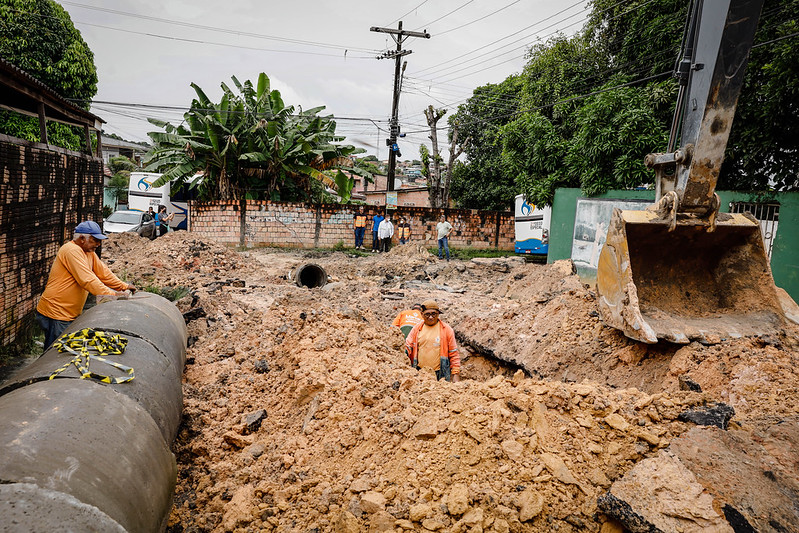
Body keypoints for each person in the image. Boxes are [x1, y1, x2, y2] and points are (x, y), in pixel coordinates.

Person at [35, 220, 137, 349]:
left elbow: (103, 273)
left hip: (67, 313)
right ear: (82, 238)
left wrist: (124, 286)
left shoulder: (89, 252)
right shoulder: (71, 250)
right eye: (95, 240)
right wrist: (112, 294)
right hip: (57, 312)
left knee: (61, 350)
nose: (98, 244)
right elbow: (87, 279)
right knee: (55, 353)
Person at [405, 300, 461, 382]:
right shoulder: (416, 329)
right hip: (419, 373)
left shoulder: (447, 330)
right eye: (427, 314)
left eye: (433, 314)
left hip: (440, 374)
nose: (430, 317)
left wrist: (455, 374)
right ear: (422, 314)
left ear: (438, 314)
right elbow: (408, 347)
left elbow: (453, 353)